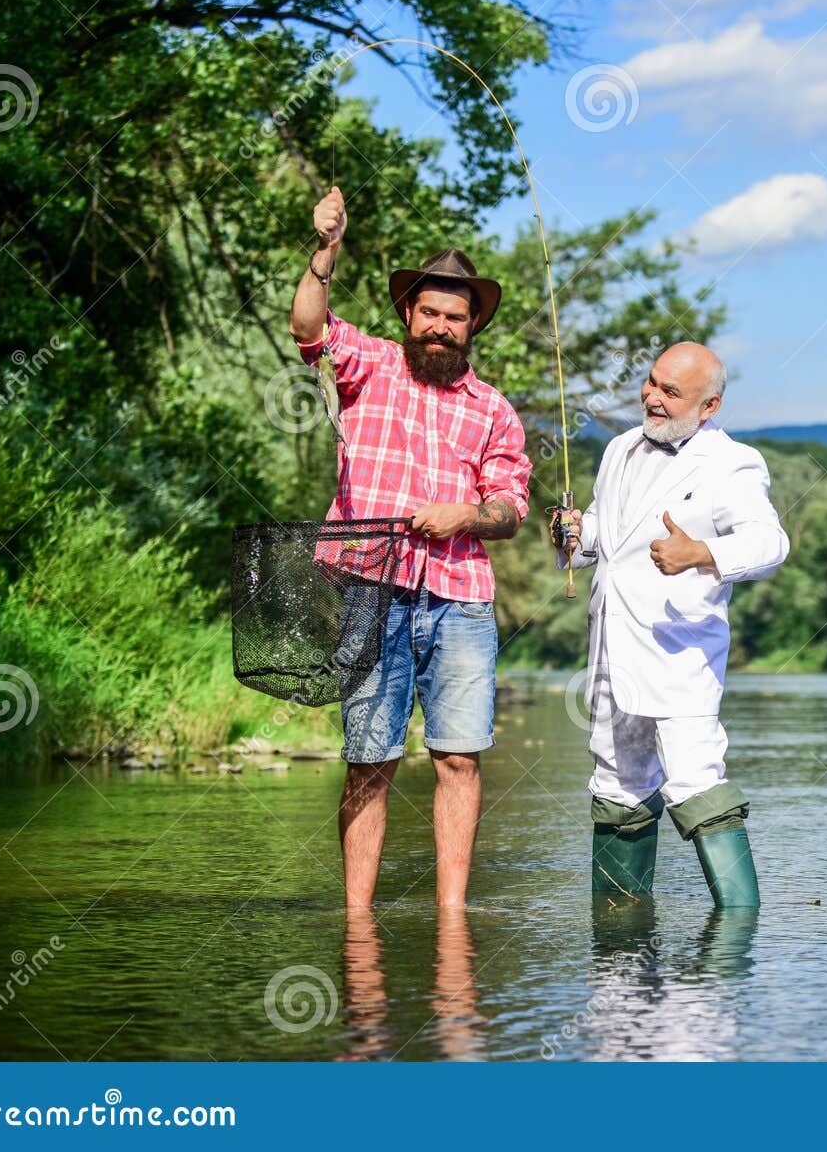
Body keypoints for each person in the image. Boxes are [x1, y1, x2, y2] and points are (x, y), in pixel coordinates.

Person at [289, 185, 531, 908]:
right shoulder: (366, 365)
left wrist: (467, 515)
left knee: (458, 759)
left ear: (472, 326)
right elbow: (308, 324)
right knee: (369, 759)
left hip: (460, 600)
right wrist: (325, 252)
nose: (440, 327)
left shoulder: (494, 410)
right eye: (428, 312)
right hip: (371, 587)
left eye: (455, 318)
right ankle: (356, 917)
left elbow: (511, 507)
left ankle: (453, 913)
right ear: (407, 314)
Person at [550, 343, 788, 907]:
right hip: (610, 647)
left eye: (671, 393)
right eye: (652, 383)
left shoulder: (732, 463)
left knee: (694, 778)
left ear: (709, 407)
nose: (652, 398)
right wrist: (572, 533)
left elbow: (770, 543)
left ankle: (737, 931)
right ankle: (619, 929)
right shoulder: (617, 450)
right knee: (616, 783)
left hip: (680, 656)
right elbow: (603, 541)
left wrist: (701, 552)